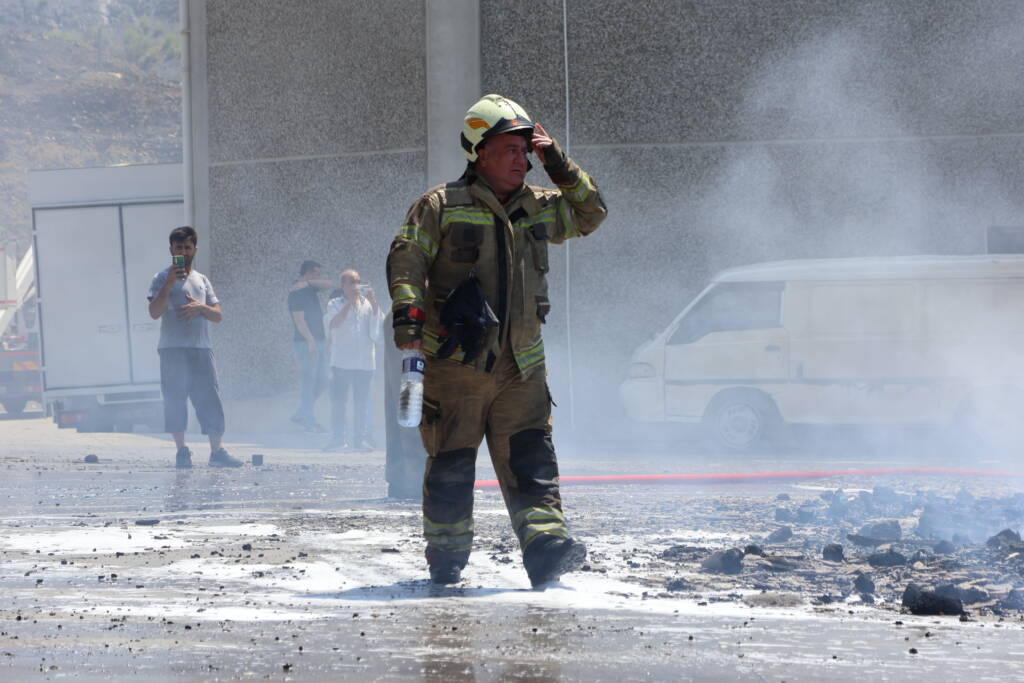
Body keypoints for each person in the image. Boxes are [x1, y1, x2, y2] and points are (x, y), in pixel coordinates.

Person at [385, 94, 607, 587]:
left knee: (531, 459)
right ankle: (445, 558)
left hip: (522, 367)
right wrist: (409, 326)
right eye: (511, 150)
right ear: (480, 153)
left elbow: (591, 213)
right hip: (456, 366)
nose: (523, 160)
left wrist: (559, 163)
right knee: (452, 465)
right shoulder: (440, 206)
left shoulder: (538, 207)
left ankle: (546, 548)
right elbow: (407, 260)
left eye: (527, 151)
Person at [147, 226, 242, 468]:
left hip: (200, 348)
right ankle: (181, 450)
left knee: (209, 398)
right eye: (178, 247)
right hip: (172, 349)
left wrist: (200, 308)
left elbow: (218, 315)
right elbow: (154, 312)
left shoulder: (202, 280)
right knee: (175, 398)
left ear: (195, 250)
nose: (183, 251)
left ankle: (217, 451)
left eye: (187, 247)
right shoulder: (160, 277)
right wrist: (169, 285)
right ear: (171, 249)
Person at [322, 270, 384, 451]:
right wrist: (350, 303)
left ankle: (360, 440)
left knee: (362, 402)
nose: (356, 285)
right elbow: (332, 325)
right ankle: (338, 440)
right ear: (343, 286)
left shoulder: (367, 304)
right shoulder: (334, 303)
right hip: (341, 360)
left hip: (364, 361)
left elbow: (377, 329)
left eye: (358, 281)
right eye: (352, 282)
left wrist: (373, 302)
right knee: (339, 402)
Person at [288, 260, 333, 432]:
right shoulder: (296, 292)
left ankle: (302, 412)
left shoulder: (308, 287)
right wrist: (311, 341)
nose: (319, 277)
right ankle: (308, 419)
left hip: (318, 342)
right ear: (308, 272)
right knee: (309, 382)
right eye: (316, 273)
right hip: (305, 343)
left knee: (323, 380)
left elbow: (329, 284)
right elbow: (299, 320)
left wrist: (307, 282)